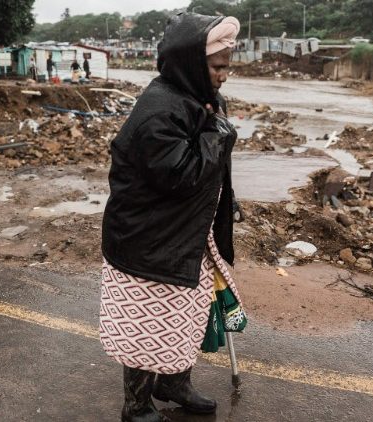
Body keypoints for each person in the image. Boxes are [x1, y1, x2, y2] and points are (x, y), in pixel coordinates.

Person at [99, 13, 245, 422]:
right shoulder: (159, 110)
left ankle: (174, 382)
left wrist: (225, 200)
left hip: (184, 234)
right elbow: (180, 176)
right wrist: (218, 135)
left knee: (186, 314)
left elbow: (210, 170)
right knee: (147, 324)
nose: (224, 76)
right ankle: (137, 405)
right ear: (191, 63)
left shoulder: (200, 97)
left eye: (227, 67)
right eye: (218, 67)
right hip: (147, 240)